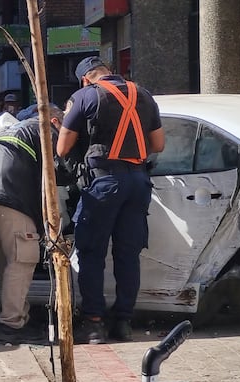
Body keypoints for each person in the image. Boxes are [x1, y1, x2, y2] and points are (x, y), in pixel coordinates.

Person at [55, 56, 165, 344]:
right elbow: (158, 145)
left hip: (103, 183)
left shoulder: (85, 97)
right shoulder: (144, 95)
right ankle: (123, 324)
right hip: (138, 183)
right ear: (109, 72)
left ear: (85, 79)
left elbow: (63, 147)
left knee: (92, 254)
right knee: (128, 255)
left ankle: (94, 325)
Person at [0, 104, 65, 344]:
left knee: (6, 261)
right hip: (10, 196)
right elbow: (56, 172)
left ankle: (17, 316)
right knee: (23, 260)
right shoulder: (46, 131)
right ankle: (11, 325)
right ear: (55, 121)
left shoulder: (13, 130)